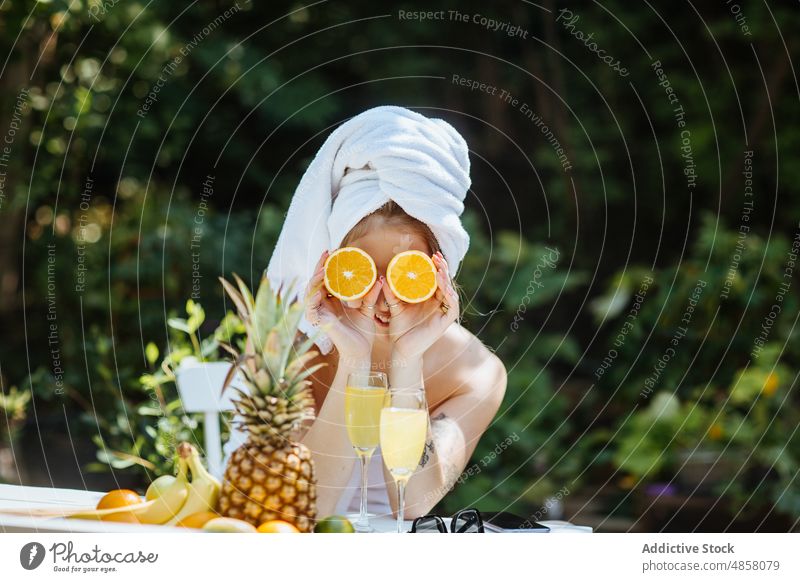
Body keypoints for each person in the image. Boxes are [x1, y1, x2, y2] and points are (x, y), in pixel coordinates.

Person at [226, 106, 506, 520]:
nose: (379, 297)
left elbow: (413, 502)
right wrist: (355, 363)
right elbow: (308, 510)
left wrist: (407, 361)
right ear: (329, 268)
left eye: (404, 274)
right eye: (357, 273)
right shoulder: (282, 348)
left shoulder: (478, 373)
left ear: (439, 271)